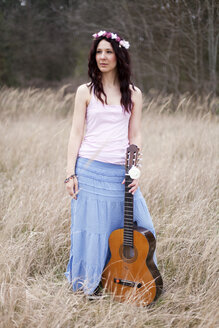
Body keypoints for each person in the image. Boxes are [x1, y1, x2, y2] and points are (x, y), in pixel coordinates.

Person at [64, 30, 157, 297]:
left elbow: (135, 134)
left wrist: (135, 170)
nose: (103, 57)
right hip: (89, 172)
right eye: (99, 52)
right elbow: (76, 133)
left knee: (142, 227)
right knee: (92, 230)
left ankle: (132, 279)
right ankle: (89, 284)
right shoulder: (85, 91)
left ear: (119, 55)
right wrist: (70, 173)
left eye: (109, 51)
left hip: (121, 173)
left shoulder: (133, 93)